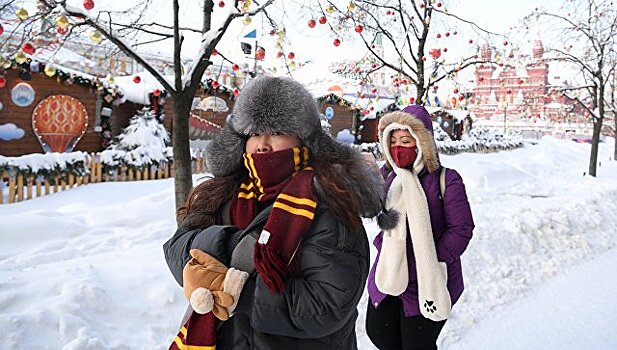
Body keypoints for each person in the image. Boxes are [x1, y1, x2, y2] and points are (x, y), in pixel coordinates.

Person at [163, 75, 385, 350]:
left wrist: (236, 291)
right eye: (254, 133)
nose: (262, 144)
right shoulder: (223, 191)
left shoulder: (330, 202)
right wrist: (226, 244)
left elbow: (326, 305)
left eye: (276, 132)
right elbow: (177, 246)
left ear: (304, 140)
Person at [366, 105, 475, 350]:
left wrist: (429, 258)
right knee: (379, 334)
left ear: (422, 142)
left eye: (406, 140)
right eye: (393, 140)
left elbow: (461, 229)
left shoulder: (446, 179)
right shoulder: (387, 178)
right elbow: (368, 209)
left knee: (417, 344)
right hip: (390, 271)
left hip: (428, 279)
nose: (398, 147)